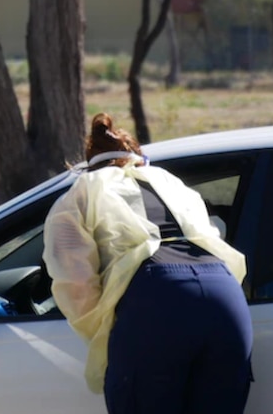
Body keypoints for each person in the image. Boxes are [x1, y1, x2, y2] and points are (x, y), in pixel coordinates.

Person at [42, 113, 253, 414]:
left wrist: (111, 330)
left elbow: (75, 283)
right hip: (225, 297)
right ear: (138, 158)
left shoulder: (80, 193)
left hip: (157, 302)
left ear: (89, 163)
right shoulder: (169, 181)